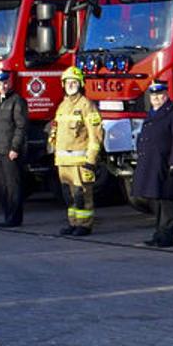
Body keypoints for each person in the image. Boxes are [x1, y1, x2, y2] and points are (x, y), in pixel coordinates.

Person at [133, 81, 173, 249]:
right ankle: (158, 234)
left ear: (166, 95)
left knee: (168, 201)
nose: (156, 98)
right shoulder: (151, 114)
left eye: (159, 95)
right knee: (156, 200)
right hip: (151, 163)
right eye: (153, 96)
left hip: (166, 164)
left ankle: (168, 236)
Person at [48, 67, 102, 237]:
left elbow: (96, 135)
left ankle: (84, 225)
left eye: (74, 82)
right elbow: (55, 131)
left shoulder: (87, 105)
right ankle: (73, 223)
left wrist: (91, 160)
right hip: (63, 162)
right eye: (68, 83)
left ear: (80, 84)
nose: (71, 85)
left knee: (81, 195)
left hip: (81, 161)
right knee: (68, 196)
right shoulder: (62, 105)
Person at [0, 70, 29, 227]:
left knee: (13, 185)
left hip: (10, 150)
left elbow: (21, 126)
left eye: (5, 83)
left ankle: (15, 218)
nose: (3, 86)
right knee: (3, 186)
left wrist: (15, 148)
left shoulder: (17, 101)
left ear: (9, 82)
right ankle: (7, 215)